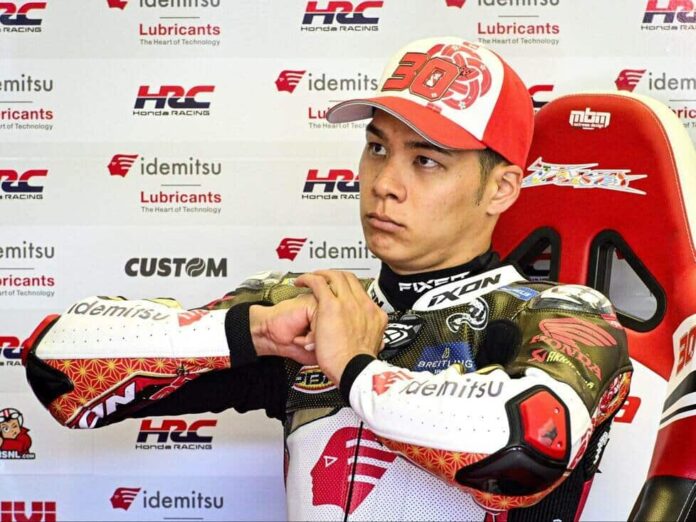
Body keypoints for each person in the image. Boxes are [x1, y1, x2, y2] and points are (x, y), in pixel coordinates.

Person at [23, 37, 632, 521]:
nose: (384, 183)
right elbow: (57, 370)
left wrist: (356, 369)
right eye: (377, 148)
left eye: (425, 160)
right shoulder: (311, 305)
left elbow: (529, 446)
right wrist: (253, 332)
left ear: (500, 188)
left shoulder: (563, 312)